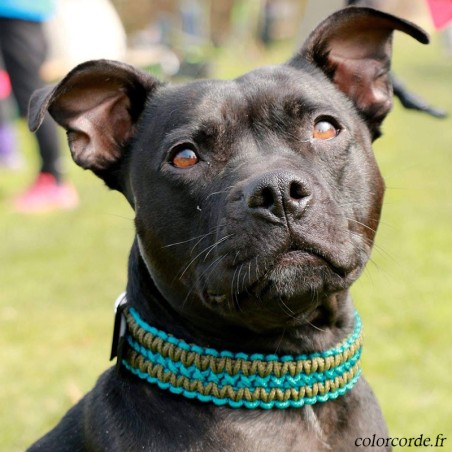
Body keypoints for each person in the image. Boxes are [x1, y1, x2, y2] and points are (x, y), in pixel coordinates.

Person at [0, 0, 78, 213]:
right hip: (19, 12)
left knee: (32, 99)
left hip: (18, 12)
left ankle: (53, 180)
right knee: (28, 96)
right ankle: (52, 178)